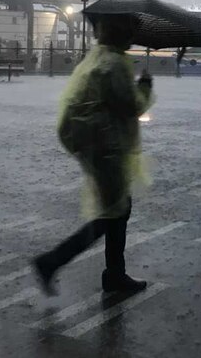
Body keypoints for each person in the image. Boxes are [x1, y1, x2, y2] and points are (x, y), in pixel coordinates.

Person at [33, 16, 154, 295]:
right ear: (121, 35)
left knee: (117, 210)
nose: (133, 38)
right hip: (107, 147)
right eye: (130, 32)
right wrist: (145, 85)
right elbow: (131, 105)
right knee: (113, 213)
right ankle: (53, 262)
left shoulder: (98, 58)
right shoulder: (113, 66)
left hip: (96, 145)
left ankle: (113, 274)